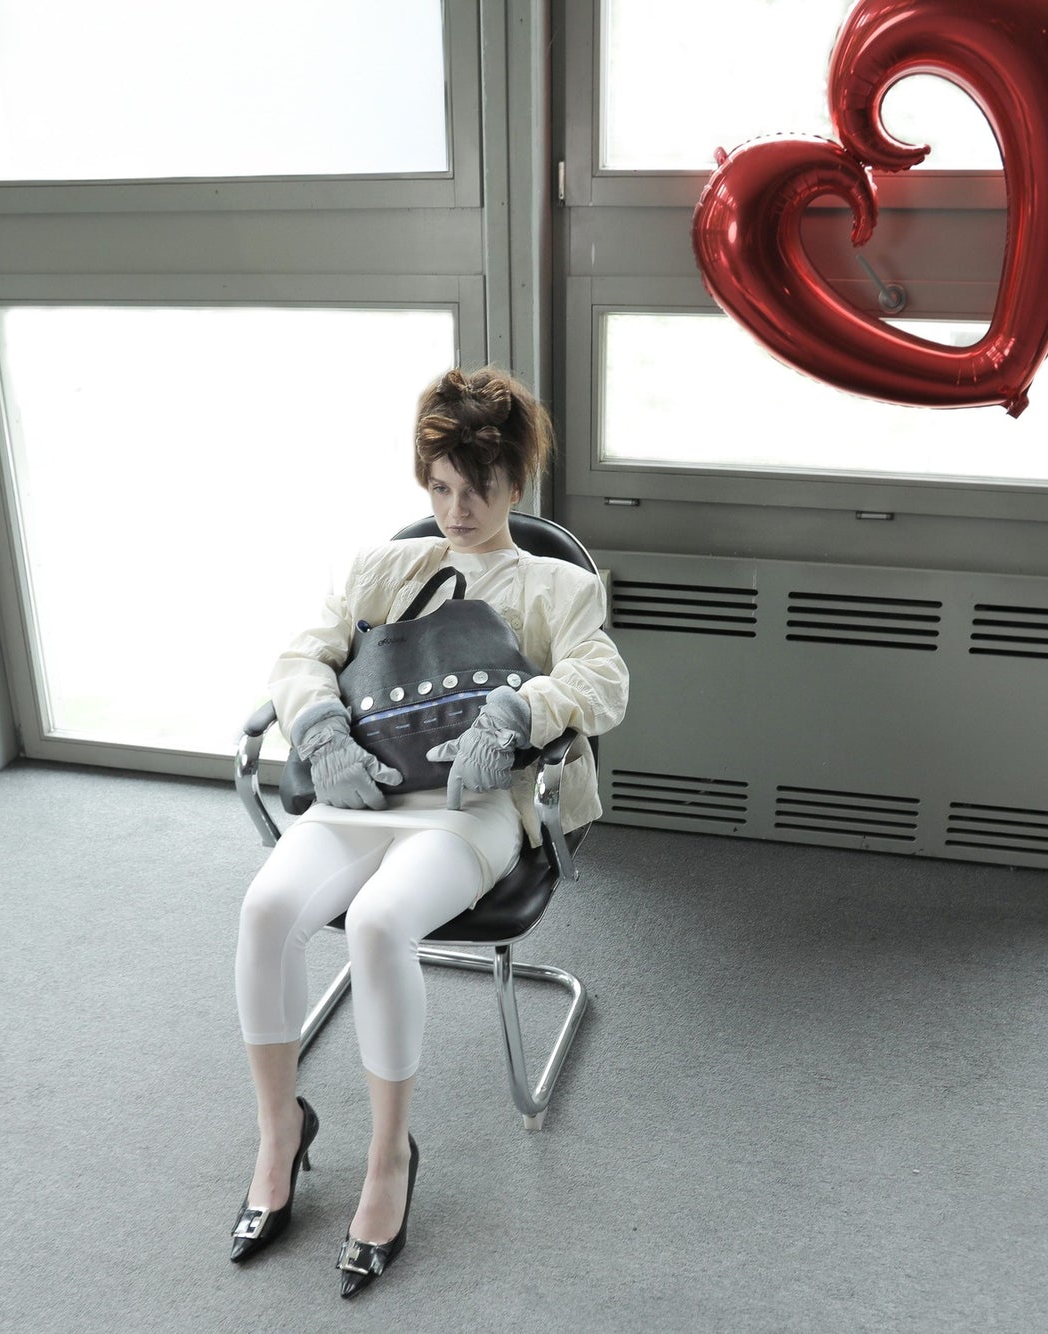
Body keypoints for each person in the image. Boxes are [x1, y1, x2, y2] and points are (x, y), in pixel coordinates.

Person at [230, 366, 630, 1295]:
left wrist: (517, 714)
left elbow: (604, 684)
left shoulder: (559, 587)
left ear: (516, 482)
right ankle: (280, 1132)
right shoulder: (380, 569)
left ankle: (389, 1160)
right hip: (360, 794)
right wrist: (320, 728)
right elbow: (301, 655)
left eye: (477, 489)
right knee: (264, 911)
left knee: (378, 924)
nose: (456, 511)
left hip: (469, 807)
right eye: (441, 488)